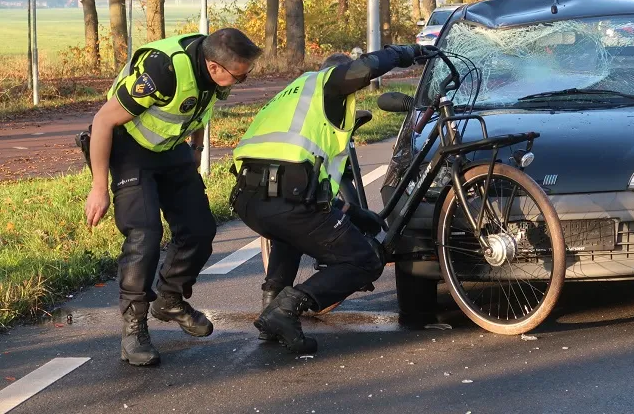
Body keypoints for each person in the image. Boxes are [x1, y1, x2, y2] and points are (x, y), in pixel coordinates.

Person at [230, 44, 429, 354]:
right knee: (365, 260)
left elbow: (307, 184)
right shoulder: (329, 83)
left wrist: (353, 213)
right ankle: (286, 309)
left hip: (250, 198)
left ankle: (270, 312)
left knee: (290, 234)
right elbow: (365, 67)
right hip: (286, 199)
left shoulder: (295, 92)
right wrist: (407, 52)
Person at [84, 28, 262, 366]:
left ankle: (169, 298)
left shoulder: (214, 66)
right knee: (144, 234)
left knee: (199, 229)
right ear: (214, 66)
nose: (243, 80)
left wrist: (196, 148)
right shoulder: (162, 71)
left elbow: (199, 106)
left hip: (170, 147)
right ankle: (134, 329)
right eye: (239, 76)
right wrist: (98, 187)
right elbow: (103, 120)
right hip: (129, 146)